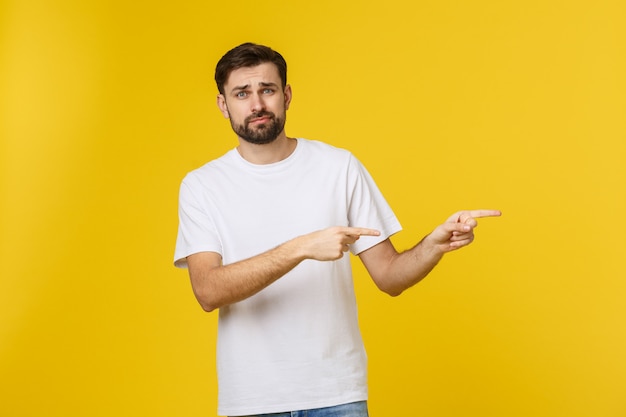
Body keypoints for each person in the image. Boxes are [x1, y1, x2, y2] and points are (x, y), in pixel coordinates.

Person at [174, 42, 501, 417]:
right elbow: (208, 291)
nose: (257, 104)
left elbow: (390, 277)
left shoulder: (338, 167)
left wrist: (433, 245)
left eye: (267, 90)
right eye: (242, 93)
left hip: (336, 394)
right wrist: (300, 247)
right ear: (223, 104)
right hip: (252, 399)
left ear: (287, 95)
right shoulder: (202, 186)